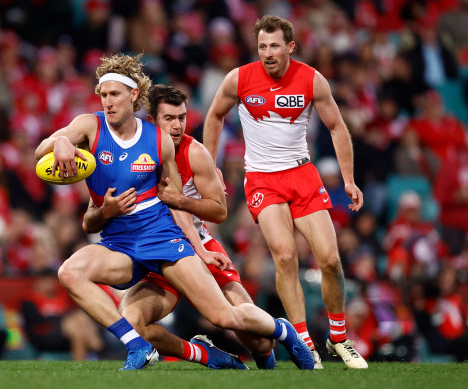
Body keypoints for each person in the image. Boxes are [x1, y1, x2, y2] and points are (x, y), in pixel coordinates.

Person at [35, 53, 314, 371]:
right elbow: (41, 150)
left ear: (134, 95)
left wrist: (201, 251)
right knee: (69, 272)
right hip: (120, 245)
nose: (108, 102)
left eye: (115, 94)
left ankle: (283, 330)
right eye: (103, 94)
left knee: (224, 316)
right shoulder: (88, 125)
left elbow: (174, 202)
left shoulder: (159, 142)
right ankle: (140, 348)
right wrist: (59, 144)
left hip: (163, 239)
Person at [203, 15, 368, 369]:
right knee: (285, 256)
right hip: (262, 179)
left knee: (330, 259)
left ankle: (338, 337)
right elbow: (214, 116)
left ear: (290, 47)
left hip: (303, 174)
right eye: (262, 46)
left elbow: (337, 127)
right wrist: (210, 166)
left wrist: (349, 179)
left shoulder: (311, 79)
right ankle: (304, 342)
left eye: (274, 46)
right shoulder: (239, 78)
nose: (267, 53)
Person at [83, 84, 275, 369]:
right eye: (169, 119)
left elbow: (219, 211)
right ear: (151, 121)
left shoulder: (195, 153)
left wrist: (179, 200)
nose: (177, 126)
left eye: (181, 118)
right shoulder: (125, 154)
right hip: (158, 251)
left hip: (198, 245)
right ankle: (204, 354)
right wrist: (105, 212)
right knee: (133, 322)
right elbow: (90, 217)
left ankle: (280, 339)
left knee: (257, 339)